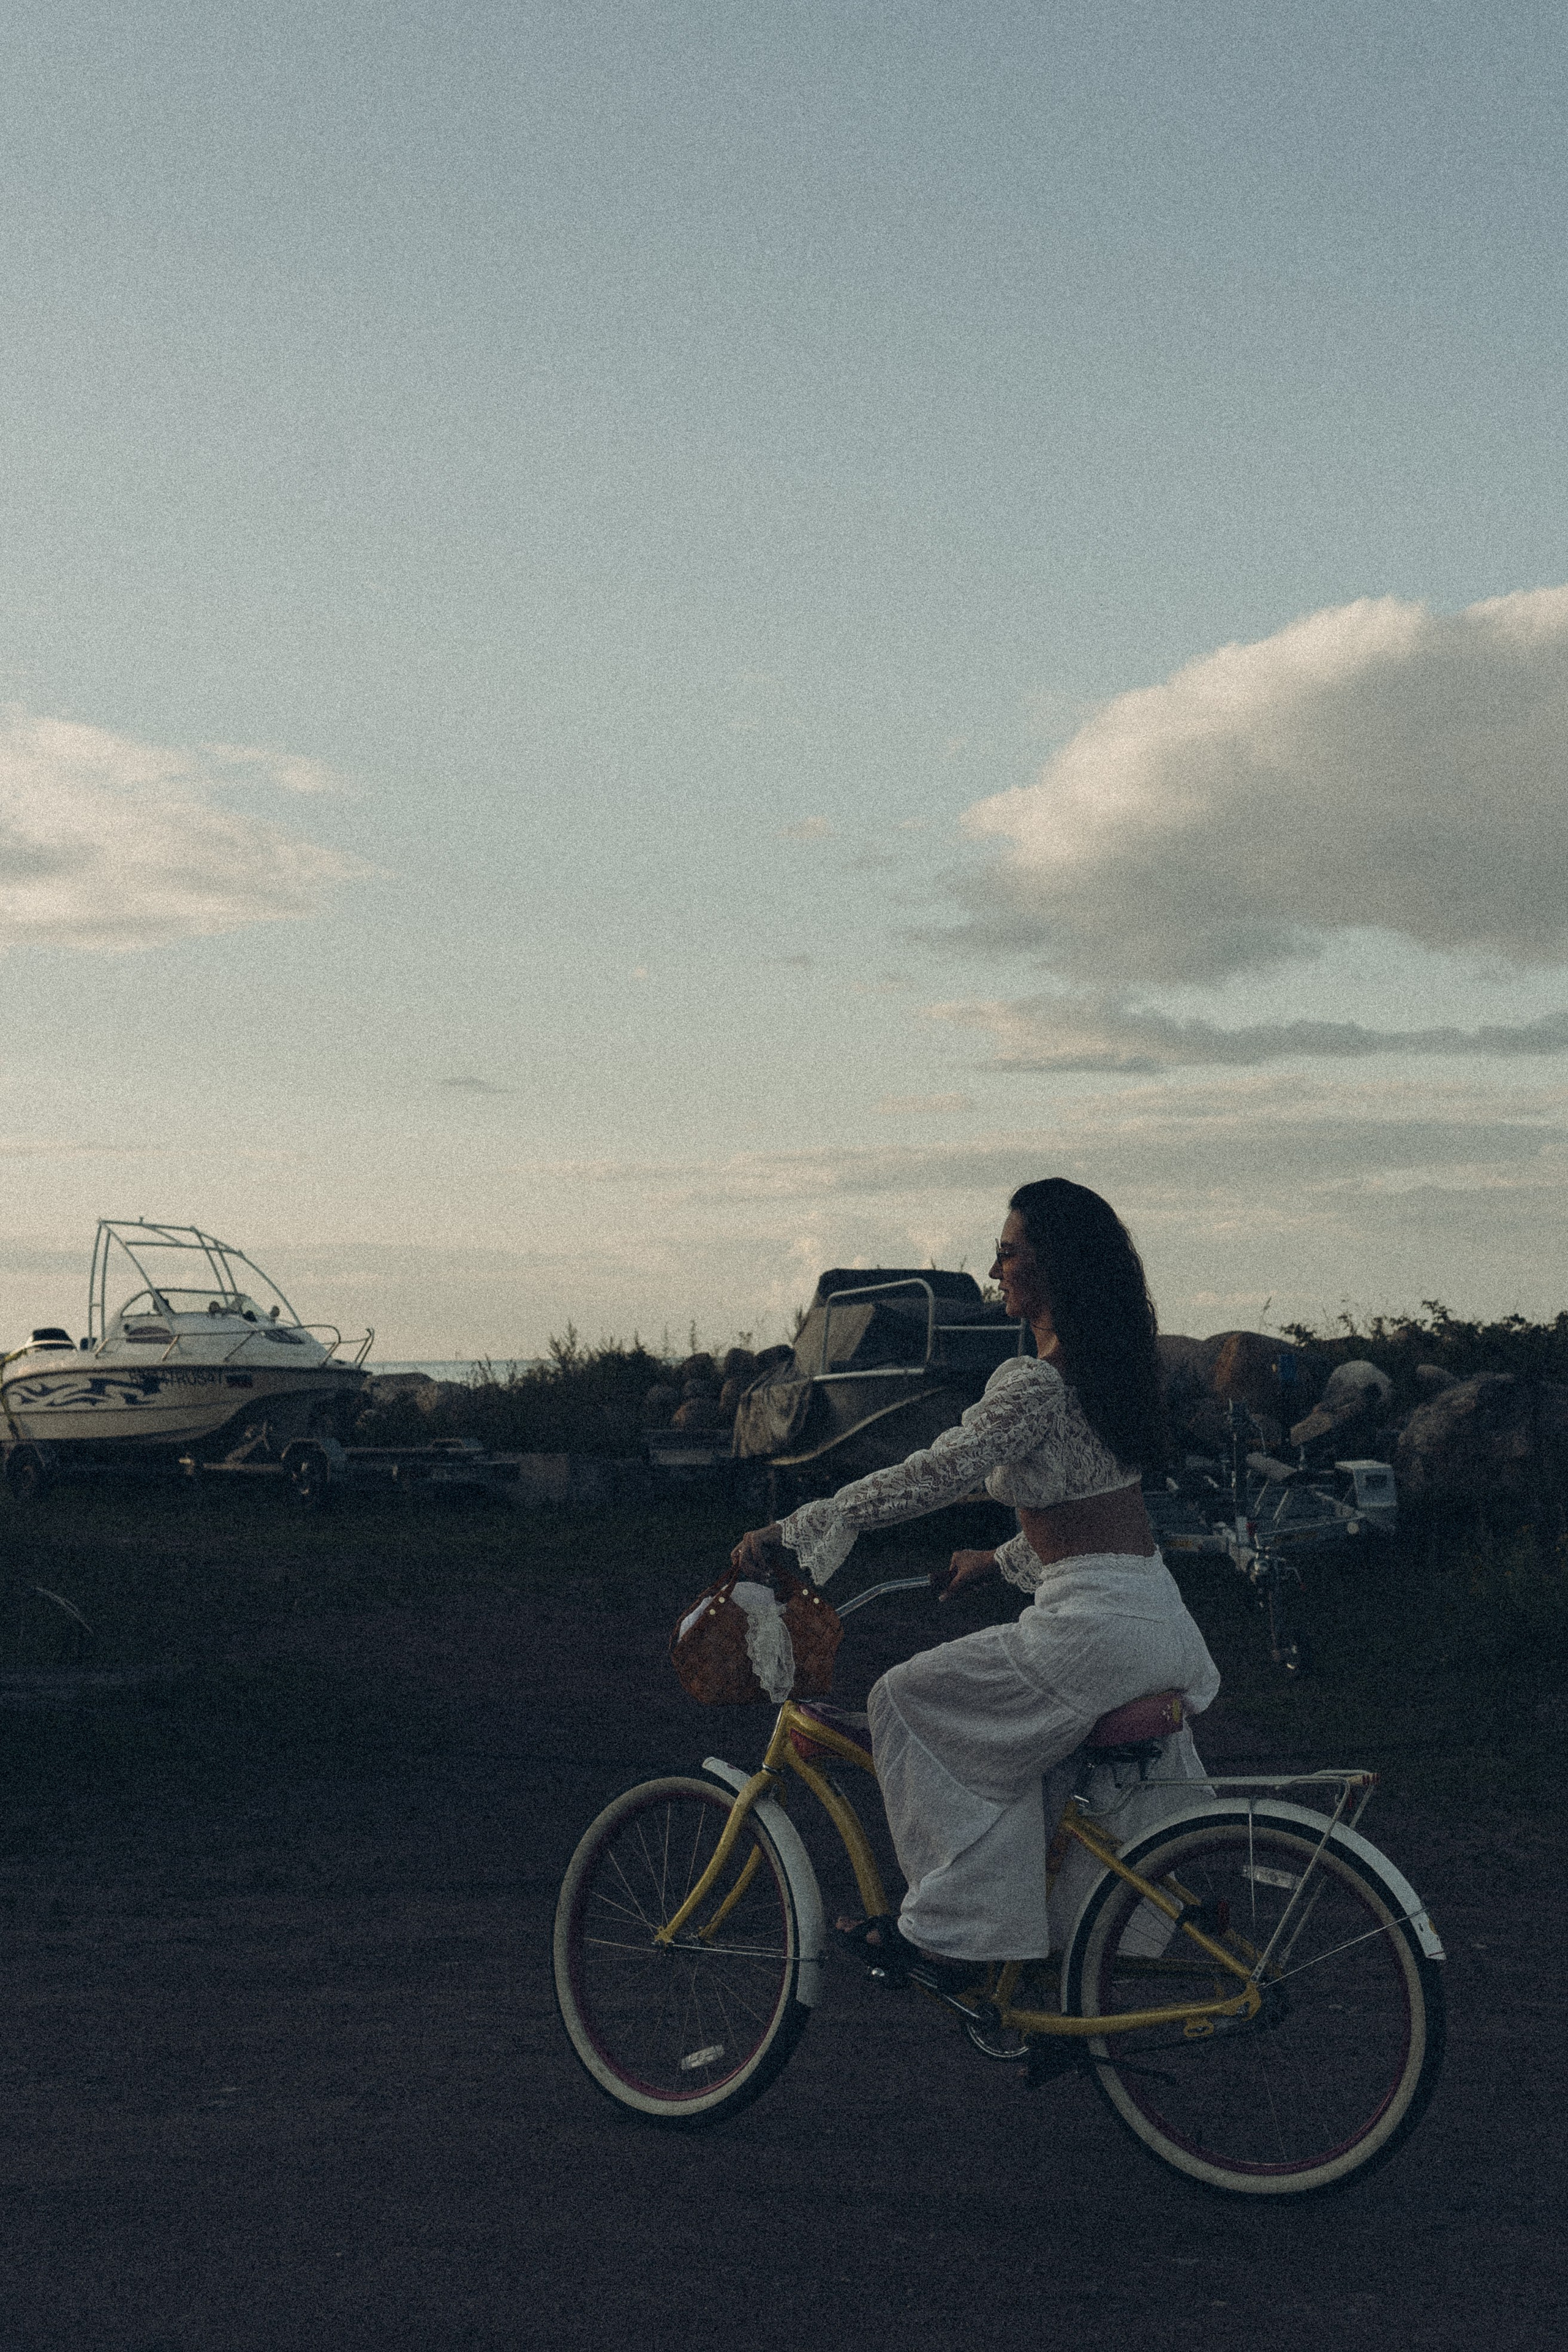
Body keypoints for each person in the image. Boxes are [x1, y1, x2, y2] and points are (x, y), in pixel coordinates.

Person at [731, 1177, 1219, 1986]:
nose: (994, 1271)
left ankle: (952, 1934)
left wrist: (792, 1530)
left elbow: (932, 1473)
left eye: (1006, 1253)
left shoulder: (1035, 1384)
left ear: (1051, 1269)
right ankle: (1058, 1968)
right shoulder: (1110, 1377)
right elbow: (1091, 1514)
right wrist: (996, 1561)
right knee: (1032, 1769)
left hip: (1092, 1633)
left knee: (904, 1701)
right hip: (1154, 1619)